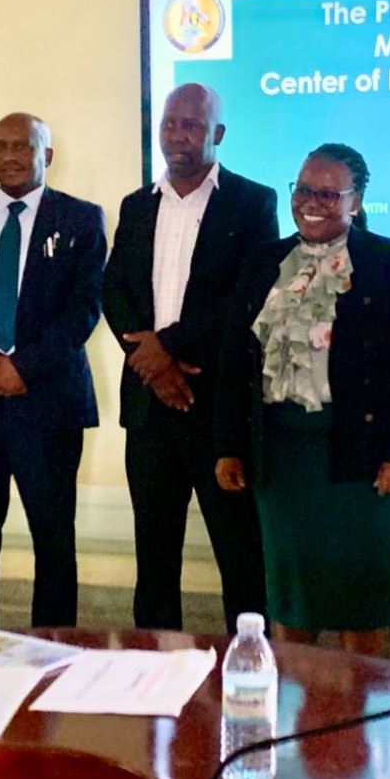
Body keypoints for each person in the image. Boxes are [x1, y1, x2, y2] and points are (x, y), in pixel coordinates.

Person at [215, 144, 390, 654]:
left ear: (356, 200)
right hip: (282, 460)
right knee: (290, 594)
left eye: (329, 193)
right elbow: (235, 359)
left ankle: (355, 716)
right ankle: (296, 708)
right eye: (304, 190)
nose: (312, 202)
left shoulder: (386, 262)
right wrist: (229, 445)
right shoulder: (265, 260)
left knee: (359, 595)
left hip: (362, 456)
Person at [102, 82, 275, 633]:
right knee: (154, 557)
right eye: (170, 124)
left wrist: (169, 348)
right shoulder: (136, 205)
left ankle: (249, 673)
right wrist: (154, 366)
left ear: (217, 134)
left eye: (192, 125)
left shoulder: (252, 202)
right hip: (151, 407)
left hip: (219, 408)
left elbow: (247, 299)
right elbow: (116, 292)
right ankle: (152, 677)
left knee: (240, 556)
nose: (177, 136)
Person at [0, 112, 106, 629]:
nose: (10, 156)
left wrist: (24, 367)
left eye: (23, 146)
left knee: (53, 539)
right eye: (0, 145)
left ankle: (51, 650)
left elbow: (84, 309)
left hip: (49, 404)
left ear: (46, 156)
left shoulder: (80, 219)